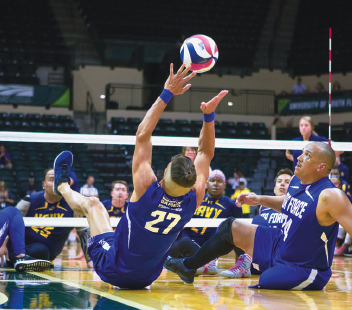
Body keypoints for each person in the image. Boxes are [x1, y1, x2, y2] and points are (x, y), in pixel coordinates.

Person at [52, 64, 227, 289]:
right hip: (148, 277)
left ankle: (63, 186)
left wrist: (167, 93)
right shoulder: (196, 196)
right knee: (117, 236)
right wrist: (209, 115)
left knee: (93, 205)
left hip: (112, 269)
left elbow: (143, 134)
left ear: (162, 178)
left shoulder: (146, 187)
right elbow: (206, 153)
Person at [165, 142, 352, 297]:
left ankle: (246, 265)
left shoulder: (331, 196)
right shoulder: (295, 181)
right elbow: (288, 204)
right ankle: (188, 266)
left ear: (322, 167)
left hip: (305, 268)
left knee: (267, 282)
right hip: (279, 245)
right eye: (302, 153)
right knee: (229, 227)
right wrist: (259, 199)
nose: (300, 157)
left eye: (307, 155)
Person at [0, 168, 82, 267]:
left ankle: (13, 259)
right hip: (16, 247)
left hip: (43, 252)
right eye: (52, 179)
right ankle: (10, 258)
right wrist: (2, 244)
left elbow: (84, 232)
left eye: (59, 180)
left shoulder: (73, 205)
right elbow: (9, 222)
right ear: (43, 184)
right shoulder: (29, 200)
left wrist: (89, 259)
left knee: (40, 250)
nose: (56, 183)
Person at [220, 168, 293, 279]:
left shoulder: (295, 207)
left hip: (281, 258)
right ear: (274, 189)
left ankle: (245, 264)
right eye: (279, 181)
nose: (282, 184)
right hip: (260, 259)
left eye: (287, 182)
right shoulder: (263, 207)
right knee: (233, 227)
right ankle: (241, 263)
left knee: (258, 220)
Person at [177, 170, 242, 275]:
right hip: (187, 243)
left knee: (237, 228)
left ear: (225, 185)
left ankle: (206, 262)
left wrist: (239, 261)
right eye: (212, 180)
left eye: (219, 181)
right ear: (207, 184)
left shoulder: (232, 205)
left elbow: (238, 234)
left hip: (210, 248)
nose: (215, 184)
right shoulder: (196, 198)